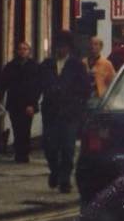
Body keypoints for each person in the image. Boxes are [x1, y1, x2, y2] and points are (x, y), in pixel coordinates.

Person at [39, 31, 93, 194]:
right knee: (50, 148)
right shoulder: (46, 64)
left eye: (63, 46)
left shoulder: (76, 66)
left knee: (68, 148)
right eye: (58, 46)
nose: (60, 49)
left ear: (69, 48)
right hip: (51, 113)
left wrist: (77, 105)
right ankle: (55, 171)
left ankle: (65, 179)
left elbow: (85, 89)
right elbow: (38, 84)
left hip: (70, 114)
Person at [0, 41, 43, 164]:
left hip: (28, 103)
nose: (22, 51)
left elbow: (37, 87)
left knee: (26, 128)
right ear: (17, 51)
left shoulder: (34, 66)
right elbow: (3, 83)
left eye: (25, 49)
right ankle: (19, 154)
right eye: (20, 49)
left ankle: (24, 154)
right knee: (16, 128)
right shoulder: (11, 66)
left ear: (29, 51)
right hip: (15, 103)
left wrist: (32, 104)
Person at [86, 37, 117, 102]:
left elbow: (112, 83)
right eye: (91, 44)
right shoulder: (83, 63)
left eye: (96, 44)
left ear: (101, 47)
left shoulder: (107, 64)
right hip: (85, 98)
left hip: (99, 99)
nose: (93, 46)